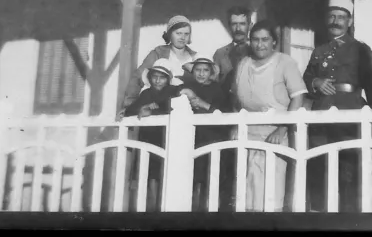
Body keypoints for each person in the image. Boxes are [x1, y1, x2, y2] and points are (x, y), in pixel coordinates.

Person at [302, 0, 372, 213]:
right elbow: (306, 79)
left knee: (349, 175)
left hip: (350, 118)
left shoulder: (360, 49)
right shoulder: (318, 51)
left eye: (341, 17)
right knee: (319, 170)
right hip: (321, 119)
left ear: (349, 22)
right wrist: (316, 82)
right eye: (331, 16)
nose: (335, 21)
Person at [230, 19, 307, 212]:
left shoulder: (285, 62)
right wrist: (235, 126)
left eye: (265, 39)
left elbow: (298, 98)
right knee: (245, 191)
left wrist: (282, 129)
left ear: (274, 41)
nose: (260, 44)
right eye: (255, 40)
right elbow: (236, 101)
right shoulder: (244, 64)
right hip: (247, 132)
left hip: (275, 133)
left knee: (270, 193)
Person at [123, 59, 181, 211]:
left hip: (165, 138)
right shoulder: (147, 93)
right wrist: (143, 108)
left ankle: (163, 207)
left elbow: (171, 108)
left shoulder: (172, 92)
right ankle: (151, 208)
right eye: (155, 76)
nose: (157, 80)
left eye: (162, 77)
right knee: (149, 174)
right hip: (148, 138)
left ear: (168, 79)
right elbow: (132, 110)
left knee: (164, 173)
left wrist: (153, 110)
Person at [179, 56, 233, 211]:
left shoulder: (218, 89)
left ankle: (210, 214)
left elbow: (226, 112)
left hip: (213, 138)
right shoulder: (188, 86)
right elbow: (173, 95)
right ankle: (193, 213)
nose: (201, 74)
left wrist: (204, 104)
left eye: (205, 70)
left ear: (211, 73)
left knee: (212, 177)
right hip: (194, 138)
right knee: (194, 178)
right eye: (197, 70)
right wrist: (187, 92)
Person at [119, 15, 197, 115]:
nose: (182, 37)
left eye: (186, 34)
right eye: (178, 33)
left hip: (188, 108)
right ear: (169, 34)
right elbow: (138, 77)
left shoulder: (195, 57)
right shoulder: (158, 53)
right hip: (161, 107)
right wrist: (129, 105)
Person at [213, 6, 252, 85]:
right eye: (234, 24)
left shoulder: (256, 51)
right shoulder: (220, 54)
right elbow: (215, 86)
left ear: (250, 26)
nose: (238, 28)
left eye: (242, 24)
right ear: (229, 26)